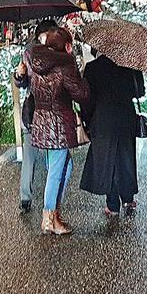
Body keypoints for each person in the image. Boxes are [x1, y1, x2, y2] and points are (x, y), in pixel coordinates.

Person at [28, 27, 89, 235]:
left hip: (42, 122)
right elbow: (81, 94)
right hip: (59, 125)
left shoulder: (34, 63)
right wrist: (81, 76)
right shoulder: (66, 64)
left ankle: (54, 212)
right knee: (56, 171)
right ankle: (49, 218)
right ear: (66, 46)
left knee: (65, 166)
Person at [80, 51, 144, 216]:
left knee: (108, 161)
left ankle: (112, 205)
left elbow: (86, 99)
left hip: (102, 119)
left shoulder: (92, 68)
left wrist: (88, 120)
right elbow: (140, 92)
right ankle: (128, 198)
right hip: (125, 117)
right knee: (126, 158)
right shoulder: (130, 64)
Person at [14, 19, 58, 213]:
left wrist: (20, 77)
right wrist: (19, 75)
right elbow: (22, 82)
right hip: (43, 111)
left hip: (32, 112)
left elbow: (22, 83)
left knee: (31, 157)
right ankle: (46, 202)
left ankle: (27, 198)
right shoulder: (50, 53)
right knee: (51, 157)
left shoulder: (29, 51)